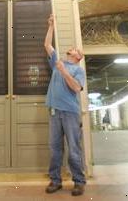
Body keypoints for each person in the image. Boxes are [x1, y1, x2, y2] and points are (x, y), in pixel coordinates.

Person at [44, 14, 86, 196]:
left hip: (70, 113)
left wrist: (65, 72)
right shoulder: (57, 63)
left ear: (78, 57)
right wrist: (51, 26)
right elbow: (47, 45)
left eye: (76, 50)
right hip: (55, 112)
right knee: (55, 148)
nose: (73, 49)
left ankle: (79, 181)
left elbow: (76, 88)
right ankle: (55, 180)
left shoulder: (78, 70)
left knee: (74, 148)